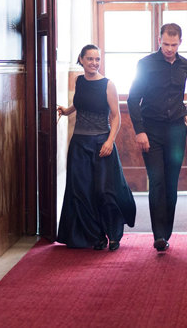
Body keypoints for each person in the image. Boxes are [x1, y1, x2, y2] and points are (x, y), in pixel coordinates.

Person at [57, 44, 136, 251]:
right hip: (79, 144)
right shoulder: (79, 81)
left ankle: (114, 235)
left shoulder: (108, 84)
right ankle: (96, 236)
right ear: (81, 60)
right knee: (82, 192)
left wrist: (110, 141)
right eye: (90, 59)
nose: (94, 63)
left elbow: (116, 115)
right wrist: (67, 110)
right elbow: (80, 103)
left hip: (102, 144)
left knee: (105, 192)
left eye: (97, 59)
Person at [127, 23, 187, 252]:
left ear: (180, 42)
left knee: (172, 182)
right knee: (158, 180)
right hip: (151, 130)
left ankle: (167, 232)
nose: (169, 49)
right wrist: (139, 131)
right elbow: (133, 99)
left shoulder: (185, 65)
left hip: (176, 131)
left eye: (173, 45)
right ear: (159, 40)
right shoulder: (146, 64)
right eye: (165, 44)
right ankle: (158, 235)